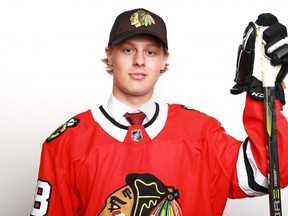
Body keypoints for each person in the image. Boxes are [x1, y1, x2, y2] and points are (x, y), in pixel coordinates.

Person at [30, 8, 288, 216]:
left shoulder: (201, 133)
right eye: (128, 49)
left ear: (164, 59)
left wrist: (263, 95)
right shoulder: (65, 145)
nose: (139, 61)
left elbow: (270, 173)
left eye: (151, 52)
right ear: (110, 55)